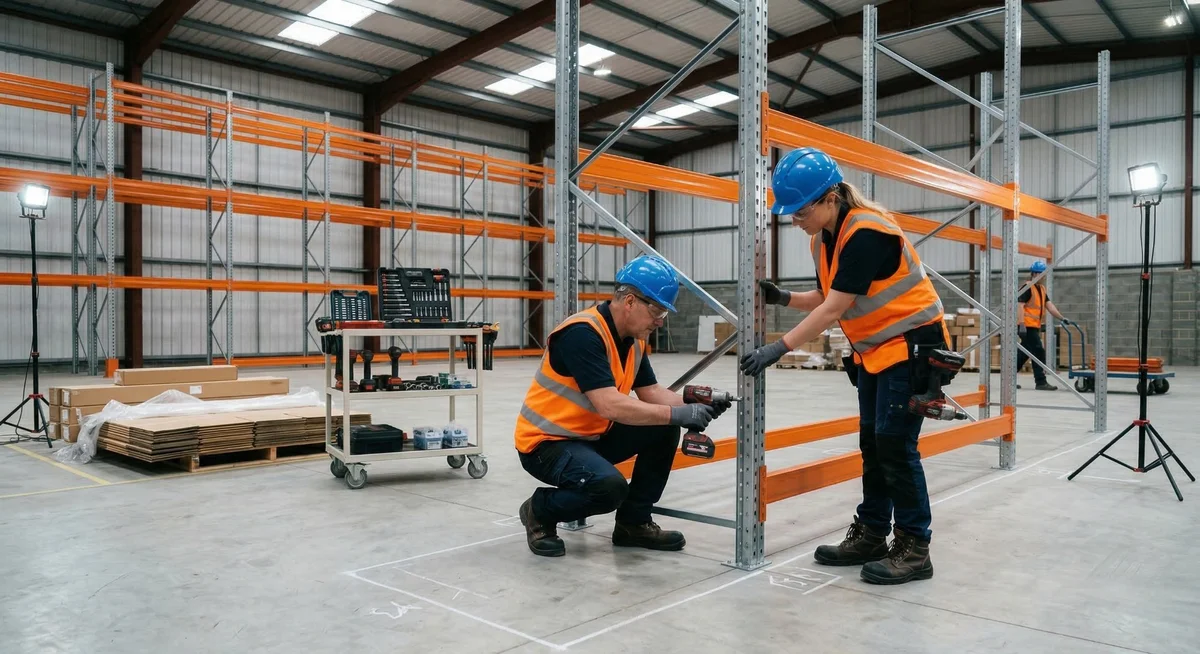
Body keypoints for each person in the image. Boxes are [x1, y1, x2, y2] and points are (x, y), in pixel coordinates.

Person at [740, 147, 950, 585]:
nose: (794, 220)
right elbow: (827, 295)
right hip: (878, 353)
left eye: (800, 211)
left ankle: (915, 546)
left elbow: (835, 307)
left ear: (830, 198)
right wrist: (784, 298)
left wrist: (779, 348)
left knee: (894, 445)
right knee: (873, 445)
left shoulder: (867, 232)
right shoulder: (825, 239)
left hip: (912, 347)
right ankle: (872, 533)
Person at [514, 255, 730, 558]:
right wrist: (678, 413)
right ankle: (540, 510)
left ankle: (633, 523)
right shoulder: (582, 334)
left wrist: (693, 406)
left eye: (664, 313)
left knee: (664, 430)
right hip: (546, 443)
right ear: (629, 301)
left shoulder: (634, 339)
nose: (660, 320)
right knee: (609, 488)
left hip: (590, 437)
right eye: (657, 310)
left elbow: (651, 392)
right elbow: (609, 405)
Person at [1017, 261, 1072, 391]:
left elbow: (1049, 305)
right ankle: (1040, 382)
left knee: (1024, 353)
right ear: (1035, 273)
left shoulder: (1041, 289)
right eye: (1042, 274)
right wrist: (1022, 324)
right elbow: (1019, 306)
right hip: (1026, 327)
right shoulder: (1027, 287)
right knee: (1038, 351)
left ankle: (1008, 379)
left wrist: (1062, 318)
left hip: (1034, 326)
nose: (1044, 277)